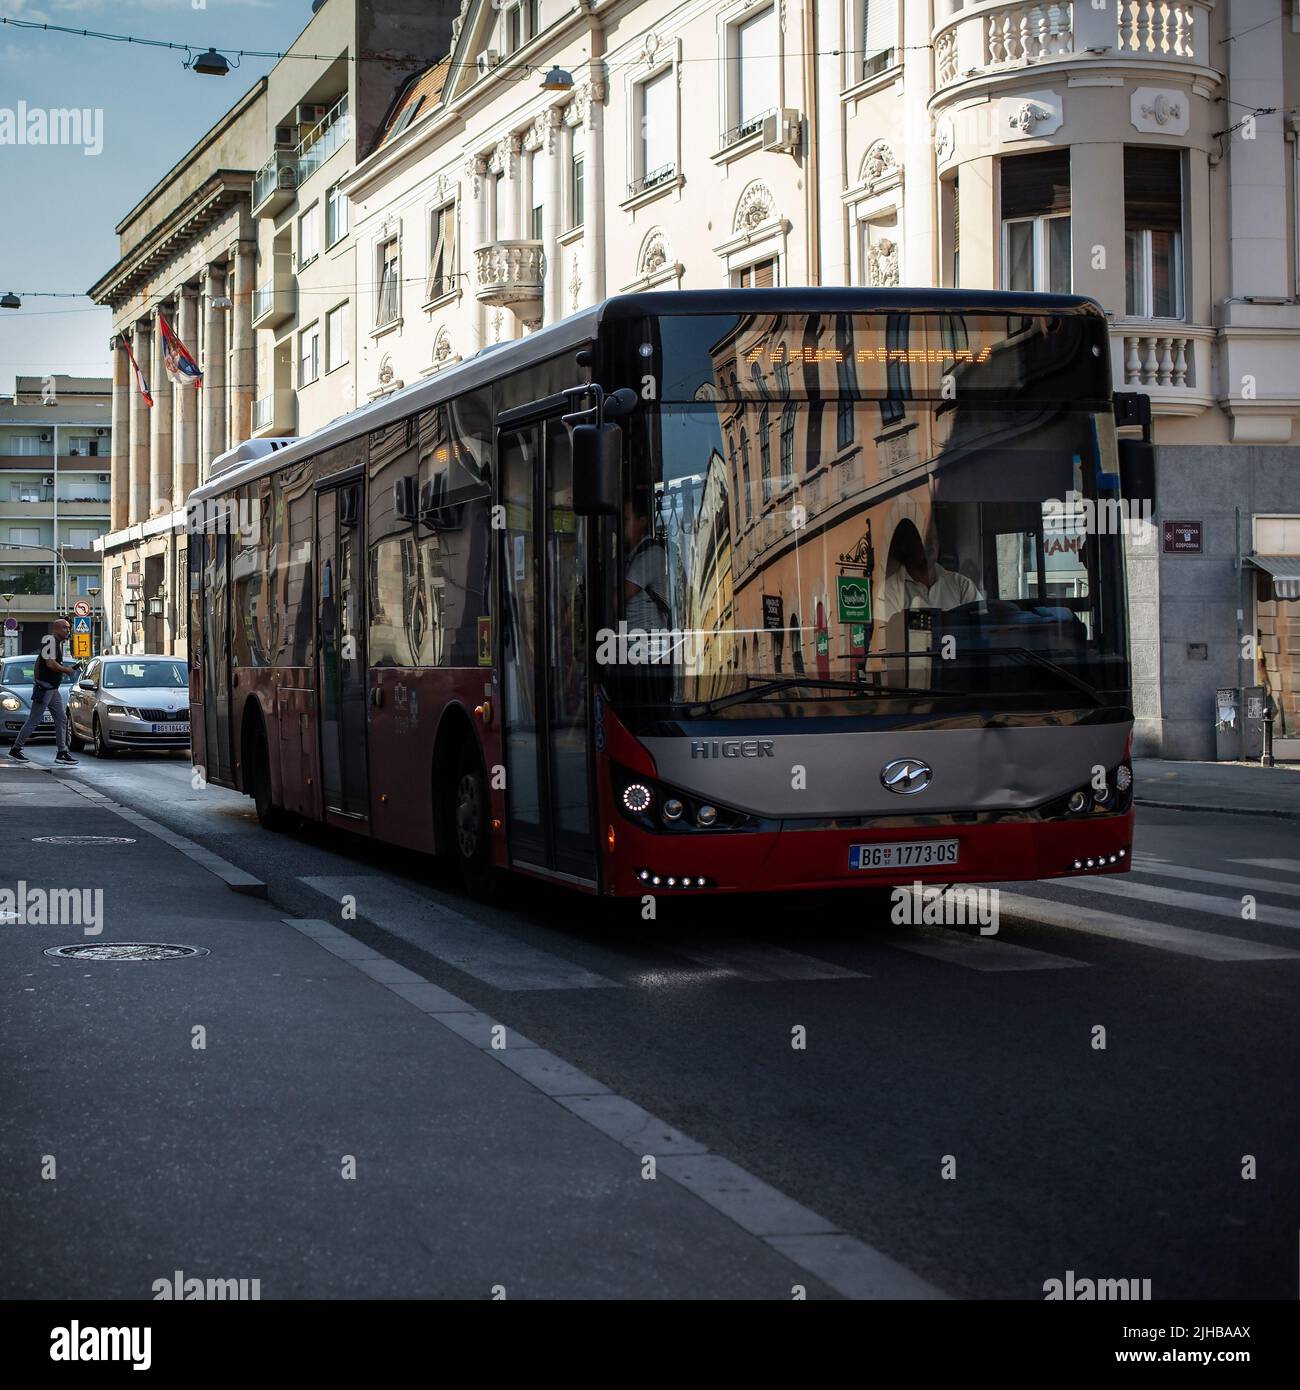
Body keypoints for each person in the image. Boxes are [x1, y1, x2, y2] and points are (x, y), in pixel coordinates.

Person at [875, 521, 983, 626]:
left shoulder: (961, 586)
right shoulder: (888, 592)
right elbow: (886, 638)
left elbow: (982, 627)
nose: (931, 545)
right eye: (924, 539)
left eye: (934, 538)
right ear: (906, 545)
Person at [7, 618, 78, 765]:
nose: (67, 630)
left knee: (61, 719)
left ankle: (62, 752)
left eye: (68, 628)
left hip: (52, 688)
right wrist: (67, 670)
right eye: (65, 628)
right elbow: (50, 664)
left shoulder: (55, 643)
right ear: (56, 628)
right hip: (45, 688)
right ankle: (15, 749)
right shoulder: (50, 641)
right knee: (34, 719)